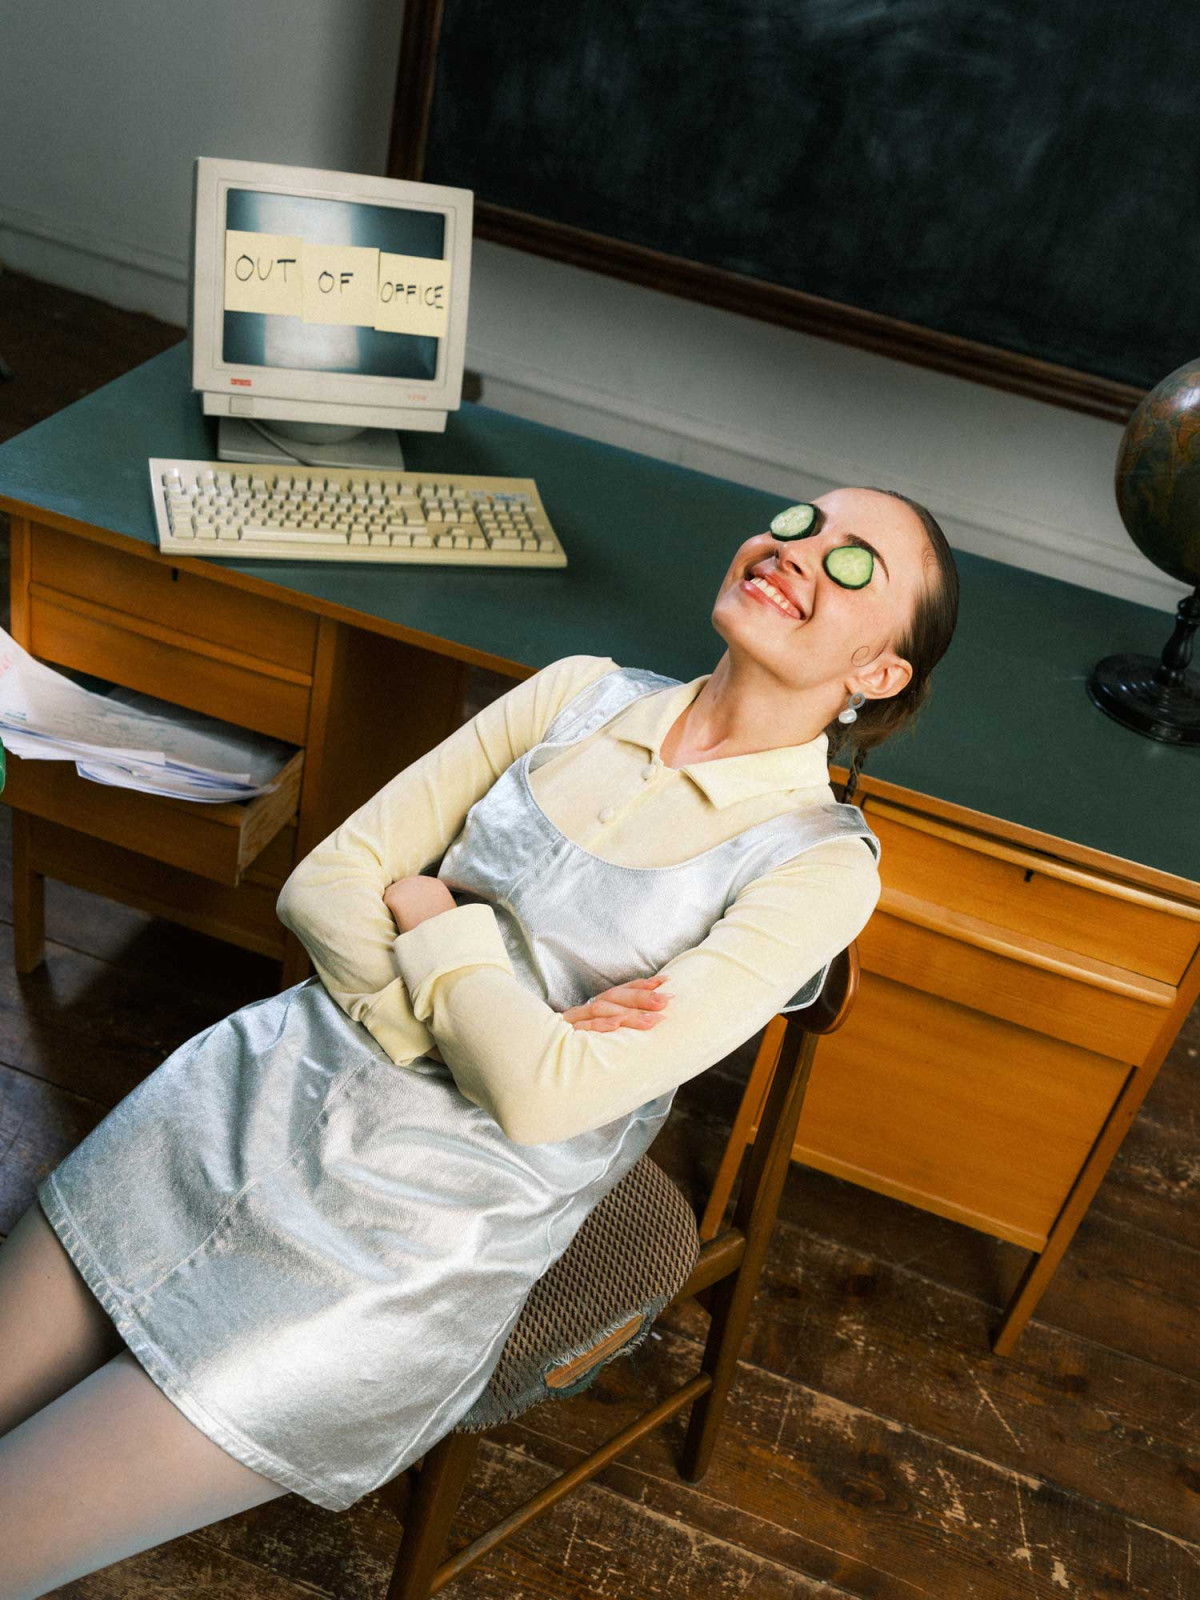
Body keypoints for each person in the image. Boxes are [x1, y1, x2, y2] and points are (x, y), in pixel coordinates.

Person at [0, 485, 958, 1596]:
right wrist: (492, 1031)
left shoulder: (822, 870)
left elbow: (546, 1103)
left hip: (397, 1258)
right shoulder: (577, 693)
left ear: (880, 674)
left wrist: (434, 915)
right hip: (240, 1097)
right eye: (800, 522)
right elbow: (323, 885)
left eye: (855, 566)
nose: (800, 551)